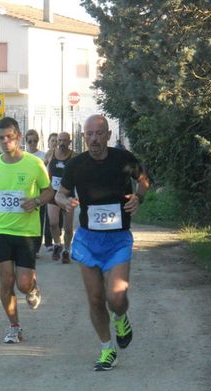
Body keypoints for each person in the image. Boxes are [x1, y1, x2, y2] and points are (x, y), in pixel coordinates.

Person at [55, 114, 151, 371]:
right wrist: (63, 201)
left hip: (118, 239)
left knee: (116, 297)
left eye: (99, 133)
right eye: (89, 134)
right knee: (96, 299)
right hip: (87, 240)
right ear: (83, 137)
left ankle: (121, 316)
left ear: (108, 135)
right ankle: (107, 349)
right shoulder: (76, 165)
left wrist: (138, 198)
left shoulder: (123, 159)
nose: (94, 139)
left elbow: (144, 180)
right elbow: (60, 194)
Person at [0, 117, 54, 343]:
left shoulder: (34, 163)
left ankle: (32, 288)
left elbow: (49, 191)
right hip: (2, 230)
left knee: (23, 283)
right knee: (6, 282)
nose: (5, 142)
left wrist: (36, 201)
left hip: (27, 231)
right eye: (0, 138)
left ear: (18, 137)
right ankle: (14, 327)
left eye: (9, 137)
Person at [47, 131, 75, 264]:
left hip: (68, 195)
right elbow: (41, 168)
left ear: (69, 142)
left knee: (68, 228)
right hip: (52, 193)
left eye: (65, 141)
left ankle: (67, 250)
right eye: (60, 140)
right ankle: (57, 244)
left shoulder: (74, 156)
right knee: (53, 223)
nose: (62, 143)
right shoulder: (50, 154)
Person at [25, 129, 47, 256]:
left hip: (40, 192)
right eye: (30, 141)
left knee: (39, 220)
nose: (32, 143)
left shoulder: (43, 156)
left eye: (35, 141)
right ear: (26, 141)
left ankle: (36, 248)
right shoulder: (22, 156)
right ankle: (27, 247)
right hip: (27, 192)